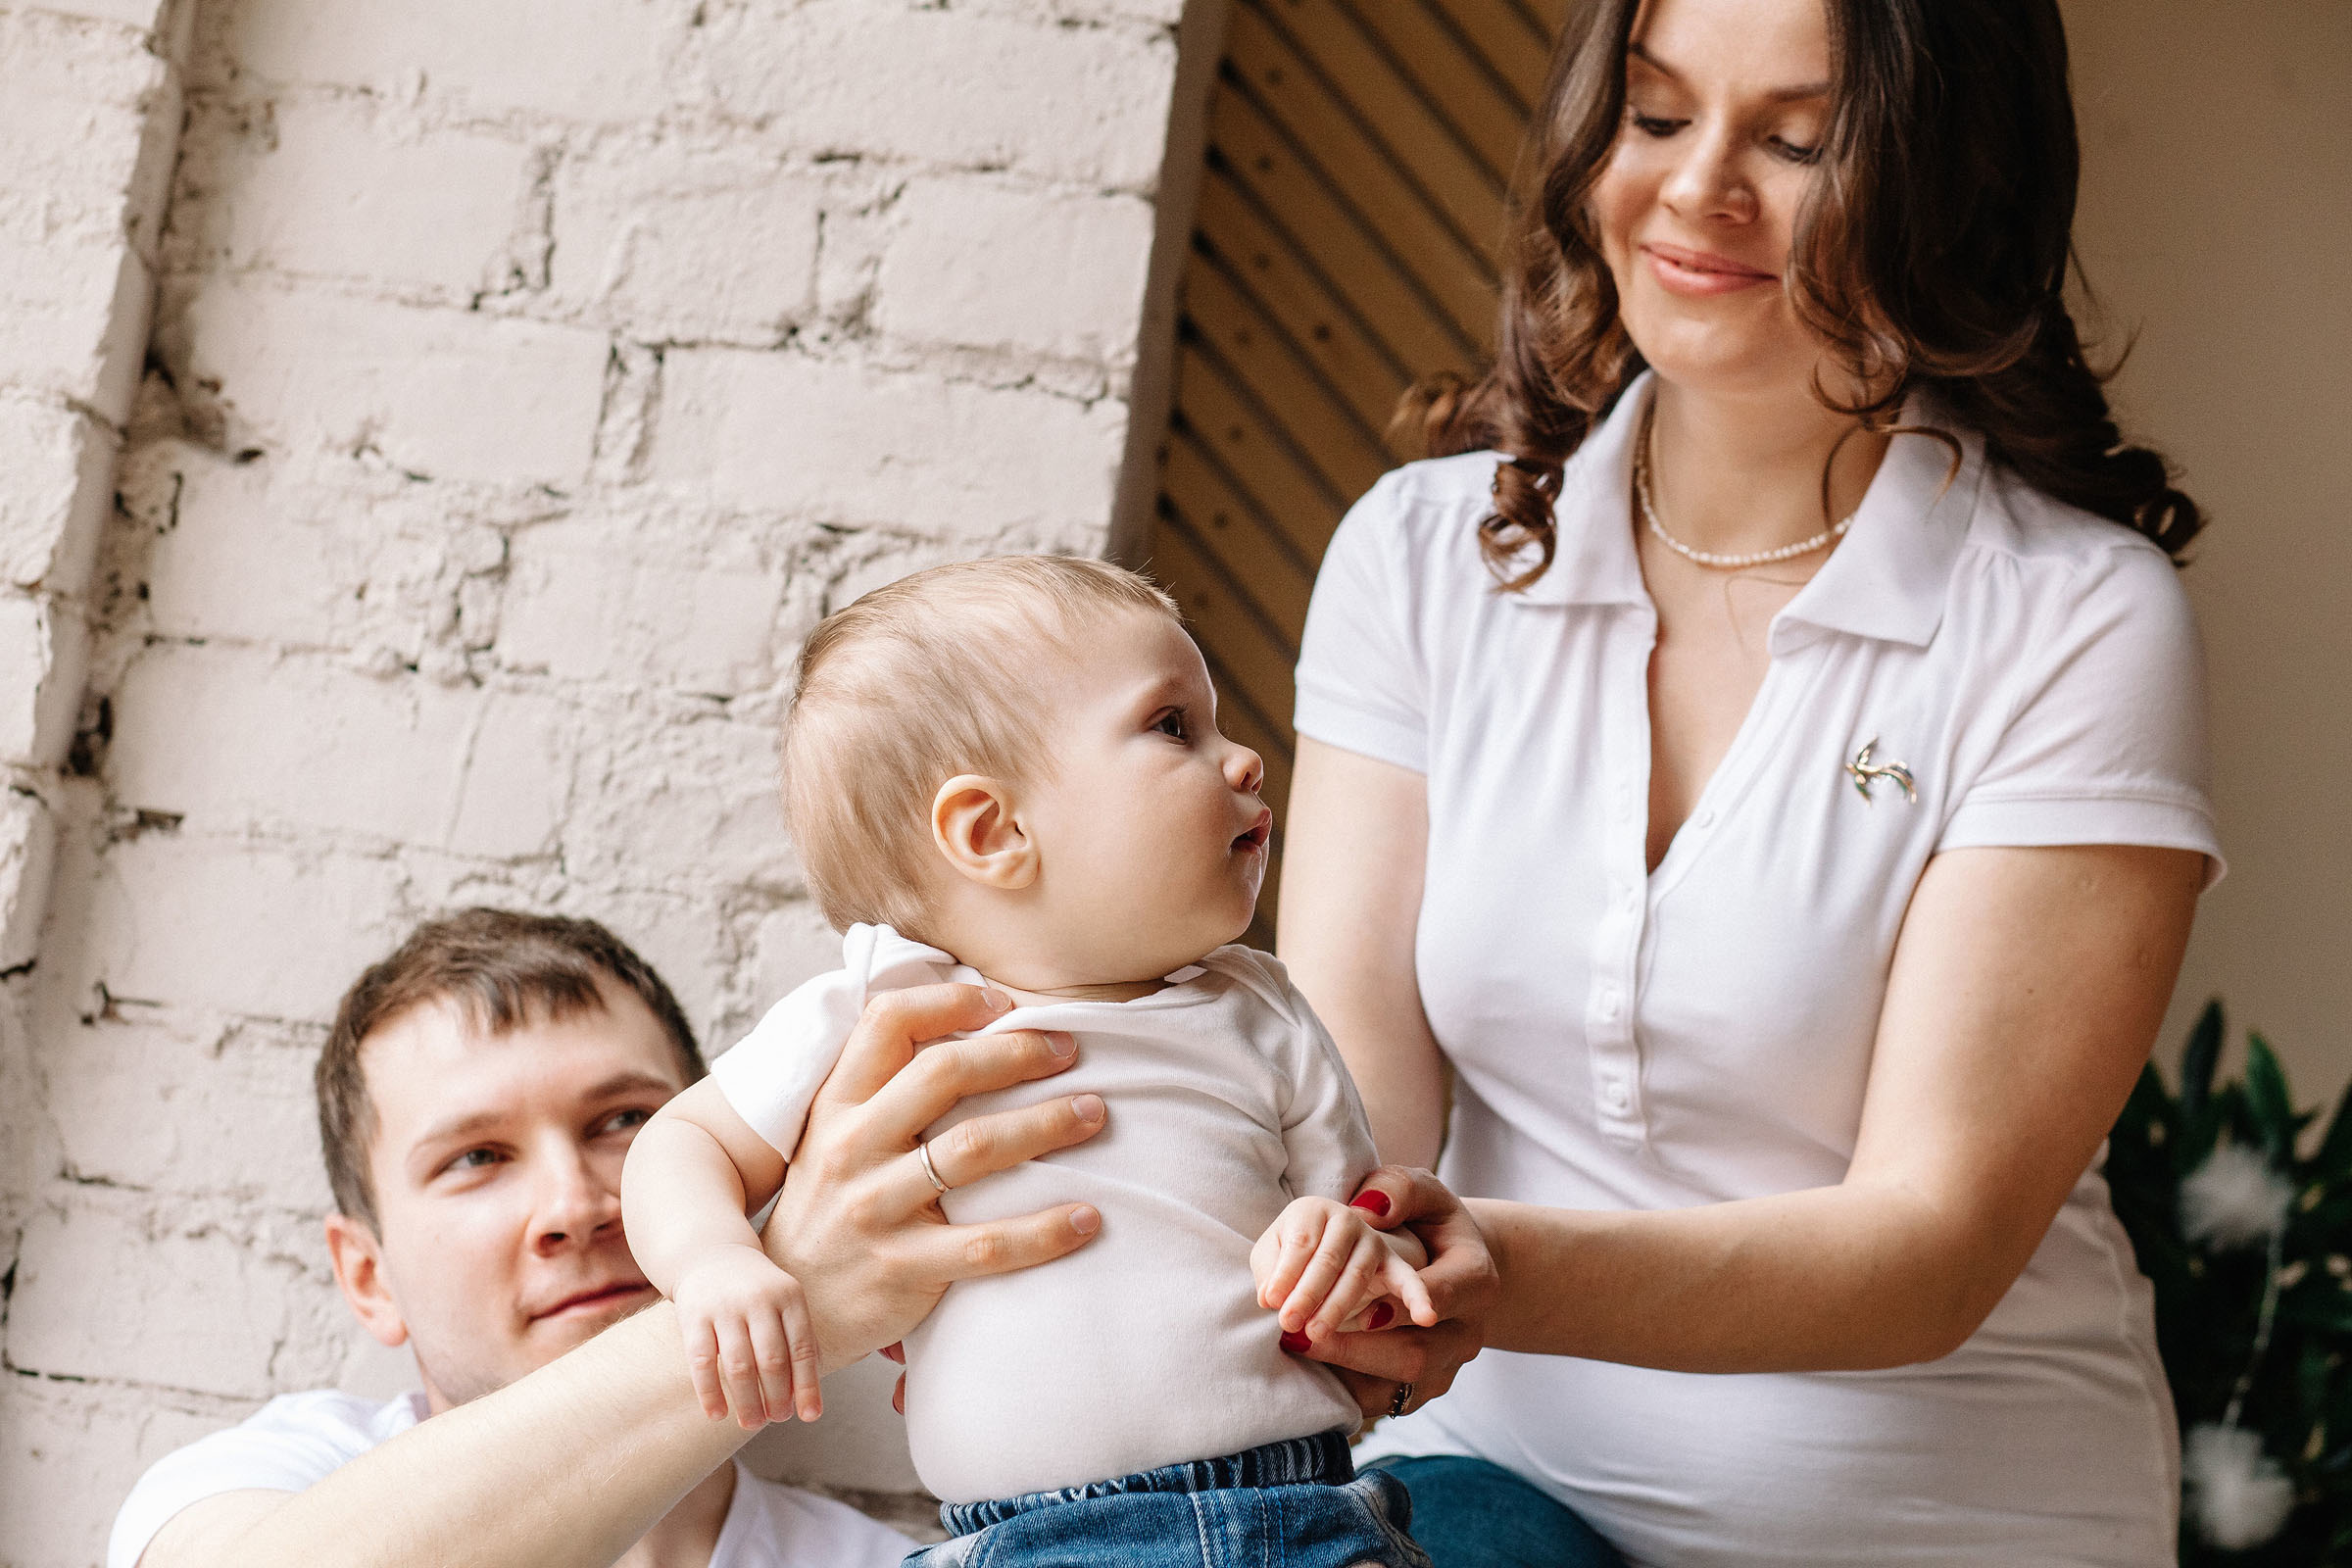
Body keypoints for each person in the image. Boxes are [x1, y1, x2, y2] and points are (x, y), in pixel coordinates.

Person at [1273, 0, 2220, 1564]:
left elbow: (1930, 1245)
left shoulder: (2075, 620)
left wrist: (1507, 1271)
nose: (1699, 190)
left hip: (1943, 1519)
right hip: (1490, 1493)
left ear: (1950, 186)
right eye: (1653, 116)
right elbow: (1348, 1124)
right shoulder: (1423, 561)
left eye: (1796, 142)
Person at [623, 555, 1435, 1567]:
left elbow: (1371, 1239)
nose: (1243, 760)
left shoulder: (1260, 1011)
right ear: (994, 830)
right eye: (1174, 726)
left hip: (1293, 1512)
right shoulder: (886, 1005)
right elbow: (684, 1141)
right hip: (1017, 1543)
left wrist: (1342, 1245)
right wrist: (714, 1261)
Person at [110, 909, 916, 1568]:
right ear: (368, 1278)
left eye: (626, 1121)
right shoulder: (257, 1488)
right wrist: (798, 1289)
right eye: (477, 1158)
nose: (575, 1205)